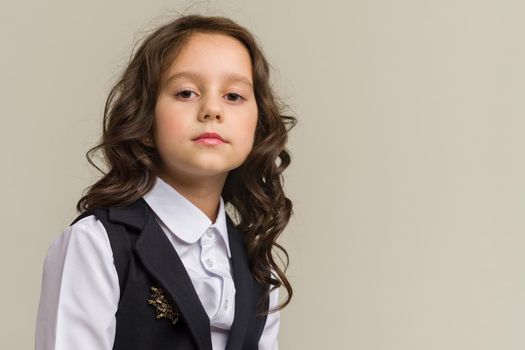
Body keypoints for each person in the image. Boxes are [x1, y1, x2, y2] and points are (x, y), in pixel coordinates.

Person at [34, 13, 297, 350]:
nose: (212, 110)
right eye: (186, 92)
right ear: (144, 122)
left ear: (258, 127)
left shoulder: (257, 265)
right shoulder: (96, 244)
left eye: (234, 96)